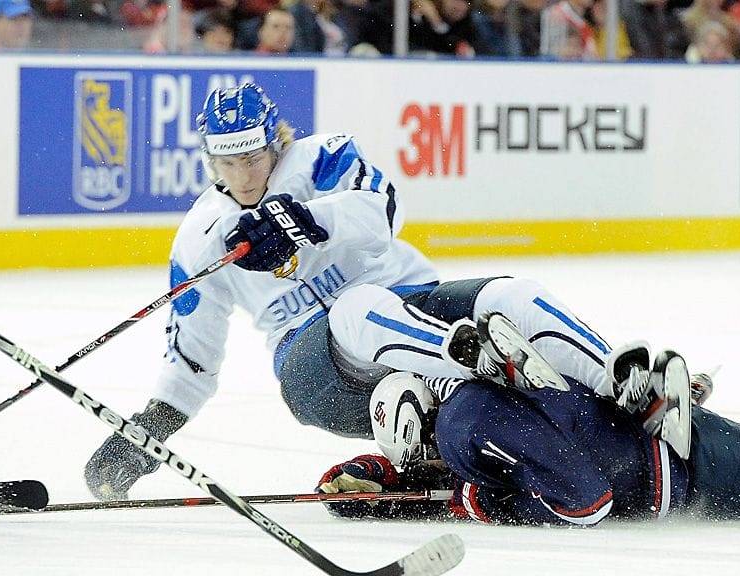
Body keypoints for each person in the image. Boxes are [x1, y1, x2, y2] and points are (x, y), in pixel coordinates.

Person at [82, 82, 652, 501]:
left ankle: (626, 387)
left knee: (510, 293)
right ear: (209, 159)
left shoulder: (323, 158)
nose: (245, 176)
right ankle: (476, 364)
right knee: (355, 307)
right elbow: (191, 363)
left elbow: (383, 211)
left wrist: (301, 218)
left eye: (254, 158)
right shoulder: (199, 241)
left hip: (410, 303)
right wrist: (143, 437)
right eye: (228, 162)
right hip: (316, 370)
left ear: (276, 143)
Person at [317, 329, 740, 526]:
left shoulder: (465, 427)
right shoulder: (464, 407)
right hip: (653, 443)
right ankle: (649, 396)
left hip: (687, 468)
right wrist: (371, 485)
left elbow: (586, 501)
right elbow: (465, 470)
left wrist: (486, 505)